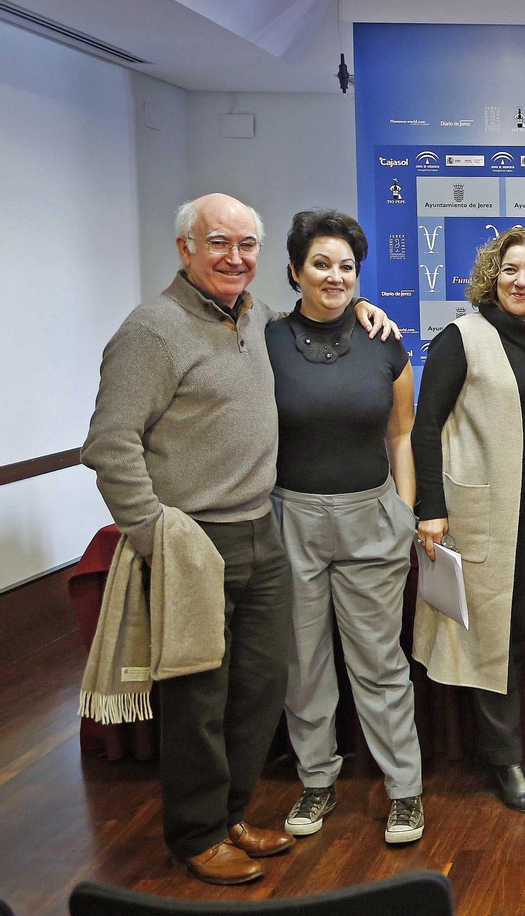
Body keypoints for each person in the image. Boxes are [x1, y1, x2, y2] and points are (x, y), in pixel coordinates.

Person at [82, 194, 391, 884]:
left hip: (262, 529)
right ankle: (195, 836)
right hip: (191, 540)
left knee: (257, 689)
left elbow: (318, 320)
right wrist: (154, 530)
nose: (235, 257)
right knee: (198, 699)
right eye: (218, 242)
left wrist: (362, 311)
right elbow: (108, 444)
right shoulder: (152, 330)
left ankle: (232, 816)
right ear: (185, 248)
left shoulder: (253, 319)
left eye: (246, 245)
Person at [265, 211, 424, 845]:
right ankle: (316, 780)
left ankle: (404, 790)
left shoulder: (383, 340)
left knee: (380, 663)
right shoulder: (266, 339)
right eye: (321, 264)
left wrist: (406, 513)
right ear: (294, 271)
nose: (335, 276)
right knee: (303, 662)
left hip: (371, 516)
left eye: (346, 267)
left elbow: (403, 433)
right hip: (290, 517)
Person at [412, 227, 525, 816]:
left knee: (520, 628)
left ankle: (504, 747)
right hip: (479, 515)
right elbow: (425, 426)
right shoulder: (462, 337)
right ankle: (503, 760)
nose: (521, 281)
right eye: (510, 270)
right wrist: (430, 508)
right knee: (489, 638)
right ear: (492, 274)